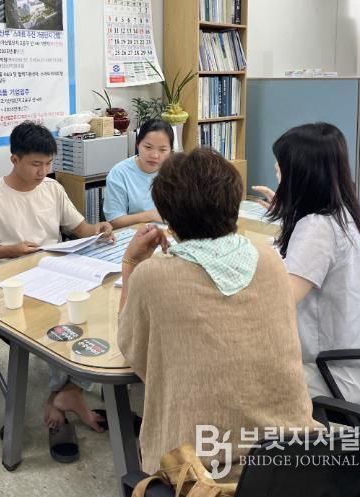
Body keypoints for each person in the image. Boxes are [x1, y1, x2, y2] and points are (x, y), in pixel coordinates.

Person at [117, 147, 320, 480]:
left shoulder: (153, 276)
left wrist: (131, 263)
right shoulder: (269, 259)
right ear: (233, 205)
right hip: (295, 458)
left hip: (203, 473)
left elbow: (133, 352)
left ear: (168, 218)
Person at [0, 121, 114, 462]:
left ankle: (65, 394)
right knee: (59, 325)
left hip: (56, 273)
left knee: (102, 310)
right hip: (14, 285)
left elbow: (79, 228)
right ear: (14, 160)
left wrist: (99, 230)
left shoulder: (52, 189)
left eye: (48, 164)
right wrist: (9, 250)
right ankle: (64, 399)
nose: (43, 172)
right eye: (36, 164)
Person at [253, 122, 360, 404]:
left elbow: (279, 301)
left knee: (236, 371)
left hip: (336, 377)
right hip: (358, 367)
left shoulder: (317, 228)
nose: (276, 170)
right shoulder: (343, 214)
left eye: (281, 167)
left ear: (302, 175)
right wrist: (289, 212)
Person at [103, 118, 173, 229]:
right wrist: (150, 215)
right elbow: (114, 221)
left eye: (162, 150)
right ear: (137, 145)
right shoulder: (119, 173)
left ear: (170, 151)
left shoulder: (175, 172)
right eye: (148, 147)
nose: (154, 155)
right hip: (133, 234)